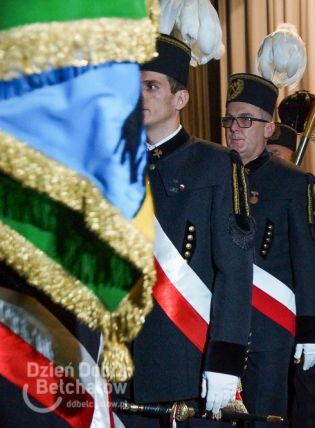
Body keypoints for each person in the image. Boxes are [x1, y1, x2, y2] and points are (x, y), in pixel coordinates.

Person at [118, 35, 255, 427]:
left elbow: (234, 271)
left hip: (186, 358)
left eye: (151, 86)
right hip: (121, 363)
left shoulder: (217, 165)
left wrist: (225, 360)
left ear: (180, 98)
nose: (138, 96)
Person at [223, 73, 315, 424]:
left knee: (263, 417)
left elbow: (308, 262)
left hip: (268, 329)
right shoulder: (213, 174)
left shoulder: (293, 182)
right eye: (229, 119)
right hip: (219, 326)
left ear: (269, 128)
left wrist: (310, 329)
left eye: (246, 120)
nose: (234, 128)